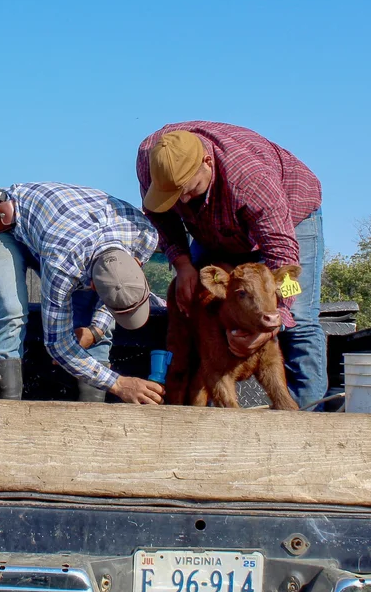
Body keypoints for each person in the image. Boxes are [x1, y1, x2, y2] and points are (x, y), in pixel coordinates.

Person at [136, 122, 326, 409]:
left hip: (289, 222)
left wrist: (273, 321)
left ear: (207, 162)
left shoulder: (250, 180)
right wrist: (183, 263)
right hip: (210, 225)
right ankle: (210, 420)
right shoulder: (153, 158)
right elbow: (159, 214)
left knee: (299, 321)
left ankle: (309, 422)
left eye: (187, 190)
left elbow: (283, 256)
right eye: (172, 195)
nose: (182, 201)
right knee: (202, 310)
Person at [0, 181, 165, 404]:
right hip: (5, 224)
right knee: (12, 311)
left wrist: (95, 330)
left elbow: (116, 289)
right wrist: (119, 384)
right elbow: (57, 345)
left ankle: (93, 421)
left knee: (92, 323)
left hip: (62, 231)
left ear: (136, 262)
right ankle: (5, 411)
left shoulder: (145, 235)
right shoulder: (63, 264)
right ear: (92, 284)